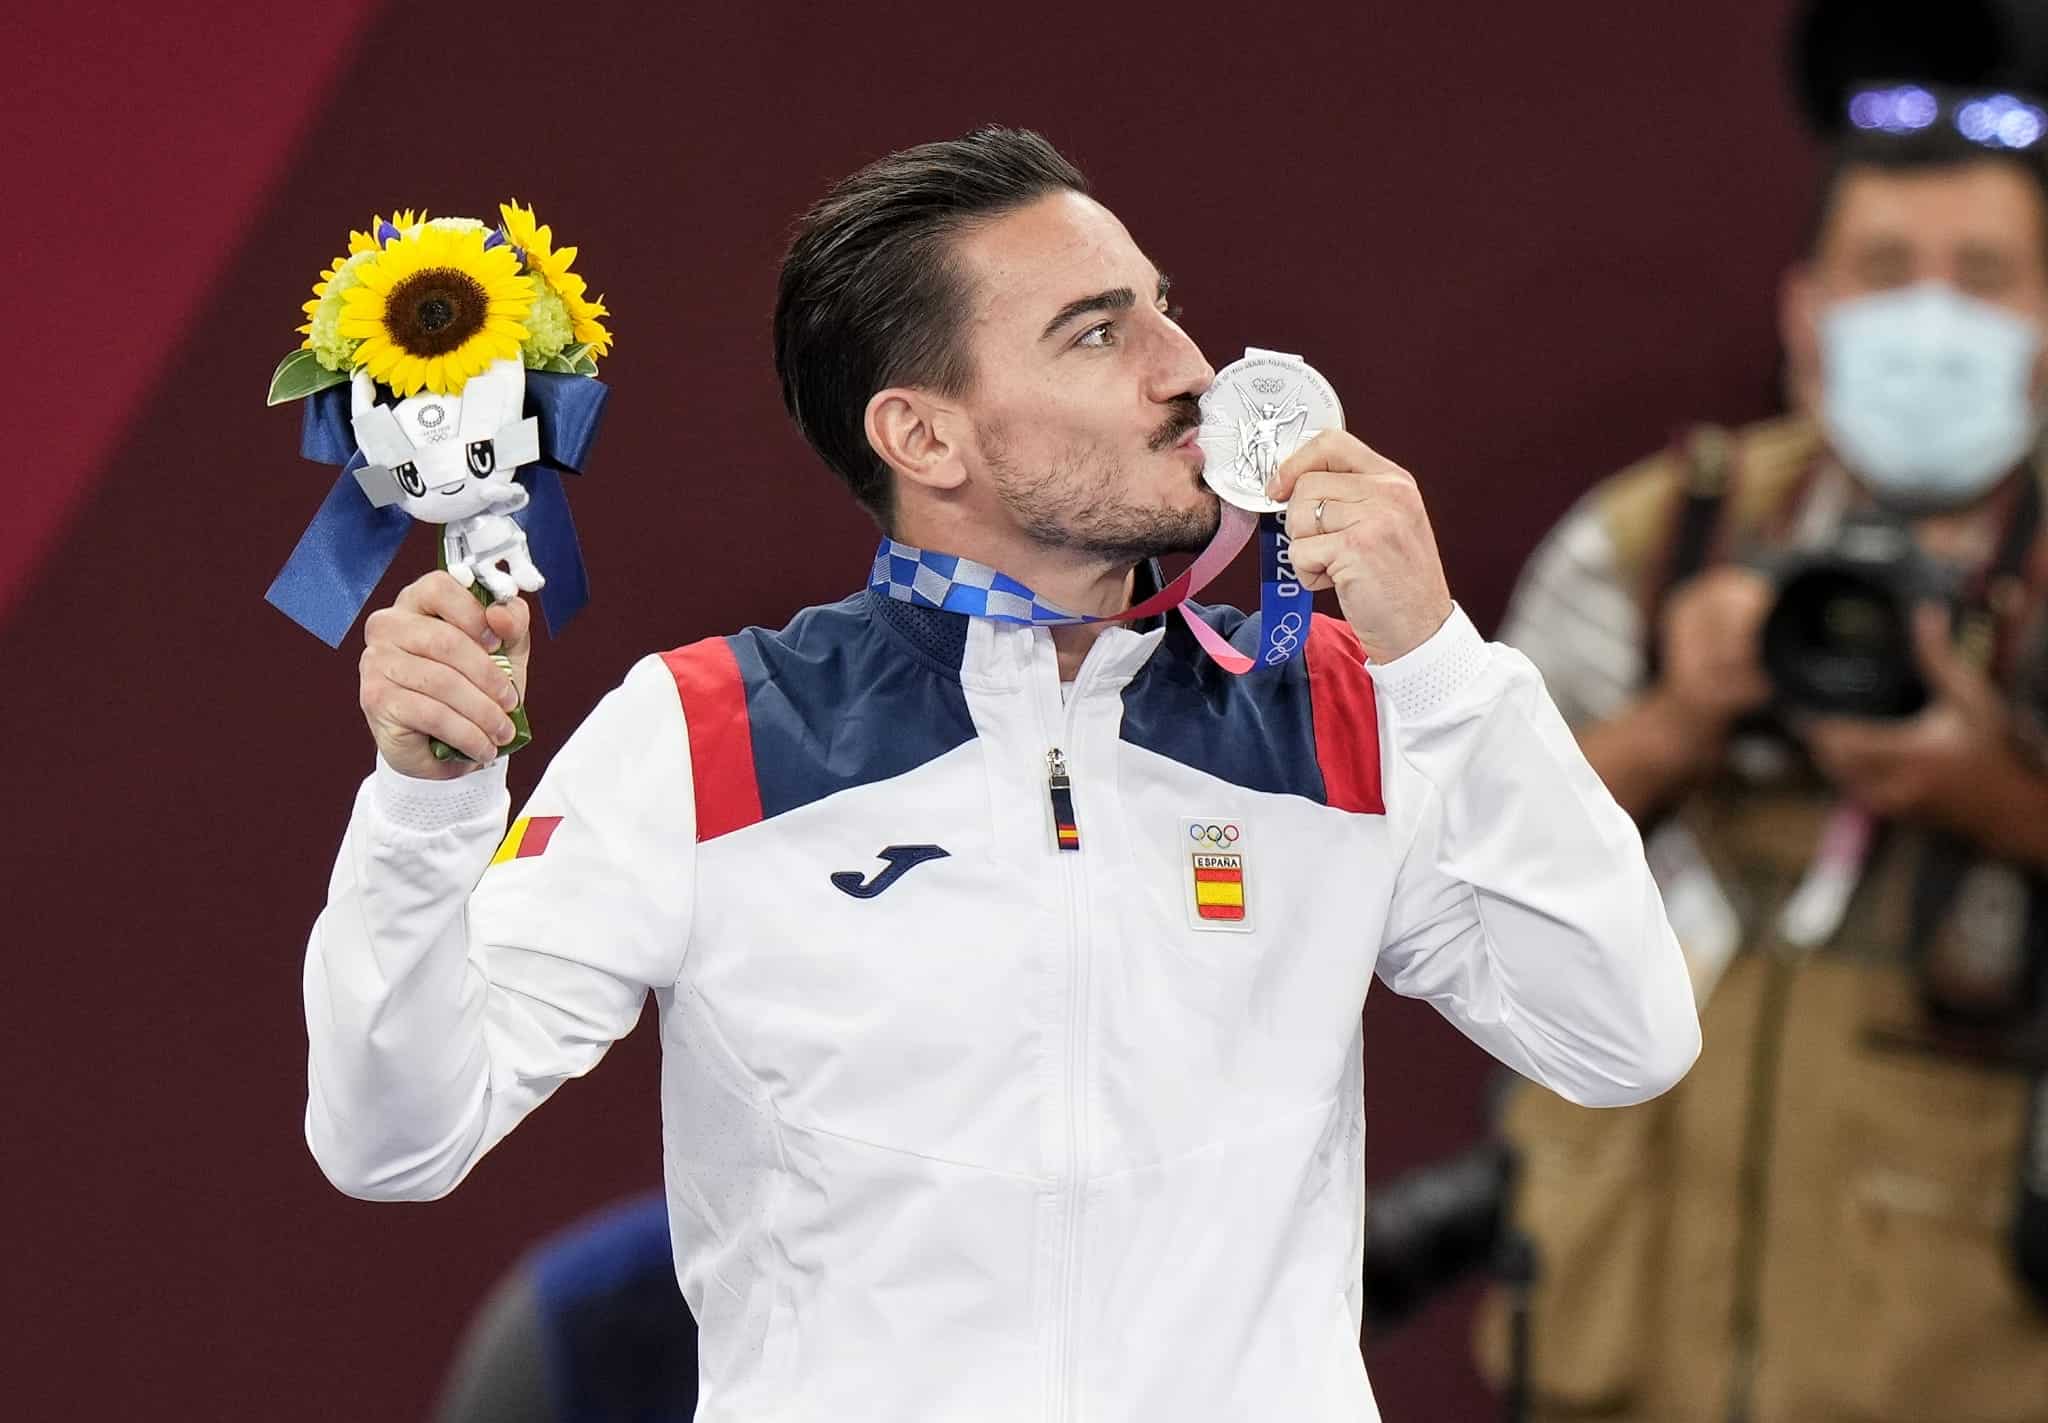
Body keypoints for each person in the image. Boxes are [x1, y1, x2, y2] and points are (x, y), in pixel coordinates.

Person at [302, 127, 1698, 1422]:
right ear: (924, 437)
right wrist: (428, 813)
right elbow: (395, 1141)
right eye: (1100, 332)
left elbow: (1624, 1042)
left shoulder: (1339, 710)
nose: (1190, 371)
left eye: (1164, 306)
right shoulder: (708, 735)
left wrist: (1445, 666)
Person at [1475, 85, 2048, 1423]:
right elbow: (1463, 859)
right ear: (1808, 312)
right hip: (1626, 1319)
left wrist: (2003, 804)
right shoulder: (1658, 533)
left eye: (1983, 278)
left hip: (1960, 1348)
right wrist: (1676, 722)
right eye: (1886, 272)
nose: (1930, 317)